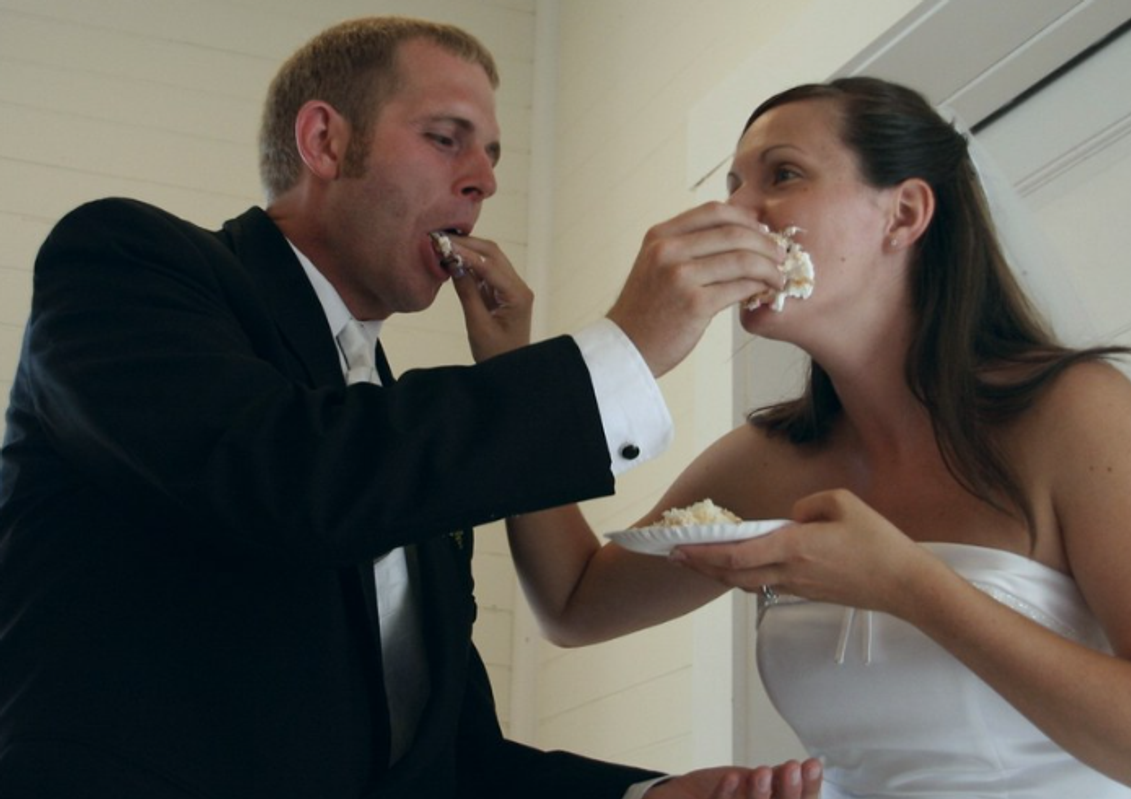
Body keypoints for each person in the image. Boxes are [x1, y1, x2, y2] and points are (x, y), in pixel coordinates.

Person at [0, 16, 824, 799]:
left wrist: (649, 792)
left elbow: (447, 762)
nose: (486, 179)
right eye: (445, 138)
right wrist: (622, 346)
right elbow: (292, 476)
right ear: (325, 140)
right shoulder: (123, 260)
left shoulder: (401, 445)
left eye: (493, 155)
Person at [507, 76, 1131, 799]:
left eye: (782, 176)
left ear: (902, 214)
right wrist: (513, 369)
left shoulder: (1072, 417)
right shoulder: (765, 465)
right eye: (732, 186)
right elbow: (574, 602)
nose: (733, 213)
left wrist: (907, 584)